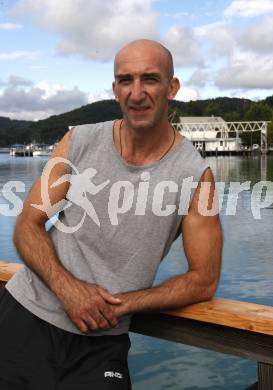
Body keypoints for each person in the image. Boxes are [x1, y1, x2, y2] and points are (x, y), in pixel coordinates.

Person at [0, 39, 222, 389]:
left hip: (103, 338)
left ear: (172, 87)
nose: (137, 93)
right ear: (115, 89)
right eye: (126, 80)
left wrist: (122, 306)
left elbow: (203, 279)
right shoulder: (79, 141)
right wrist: (70, 290)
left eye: (150, 79)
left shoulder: (195, 176)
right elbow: (28, 225)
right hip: (25, 315)